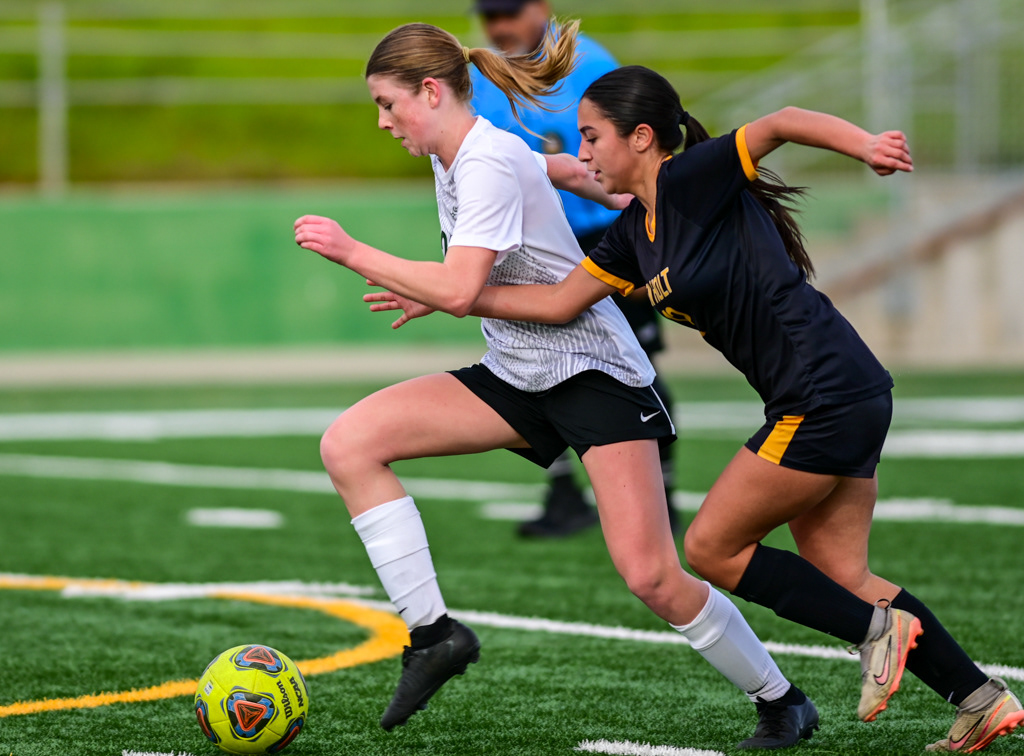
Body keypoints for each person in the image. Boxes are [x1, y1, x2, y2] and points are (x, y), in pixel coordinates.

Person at [469, 64, 1024, 752]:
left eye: (591, 138)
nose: (583, 154)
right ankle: (980, 697)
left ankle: (877, 631)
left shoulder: (688, 180)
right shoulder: (630, 236)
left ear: (642, 138)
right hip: (836, 390)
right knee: (845, 577)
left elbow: (783, 120)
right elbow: (555, 304)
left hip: (823, 390)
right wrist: (454, 292)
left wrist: (867, 145)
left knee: (709, 547)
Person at [294, 22, 818, 749]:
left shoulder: (481, 162)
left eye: (388, 104)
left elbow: (462, 285)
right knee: (350, 444)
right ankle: (434, 636)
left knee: (654, 579)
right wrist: (436, 286)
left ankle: (783, 699)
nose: (383, 122)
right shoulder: (466, 152)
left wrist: (356, 253)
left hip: (593, 377)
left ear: (432, 91)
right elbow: (560, 176)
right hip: (517, 373)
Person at [471, 0, 678, 537]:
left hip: (600, 232)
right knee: (532, 367)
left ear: (540, 7)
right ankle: (564, 494)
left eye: (509, 11)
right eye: (489, 15)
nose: (499, 26)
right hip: (530, 241)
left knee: (633, 361)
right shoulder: (486, 72)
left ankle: (663, 496)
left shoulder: (592, 66)